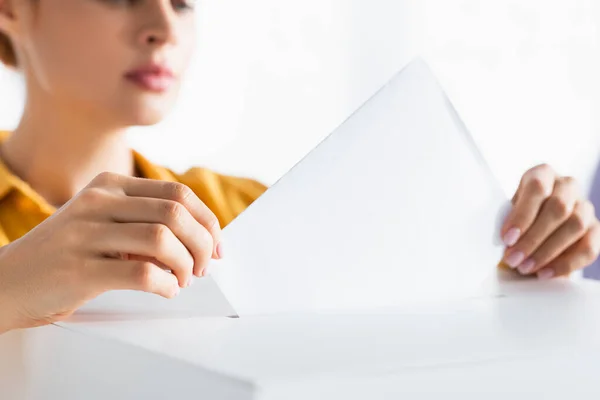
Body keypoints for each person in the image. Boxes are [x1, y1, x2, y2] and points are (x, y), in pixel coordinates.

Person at [0, 0, 598, 335]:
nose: (163, 26)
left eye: (184, 3)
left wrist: (537, 242)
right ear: (12, 11)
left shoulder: (241, 214)